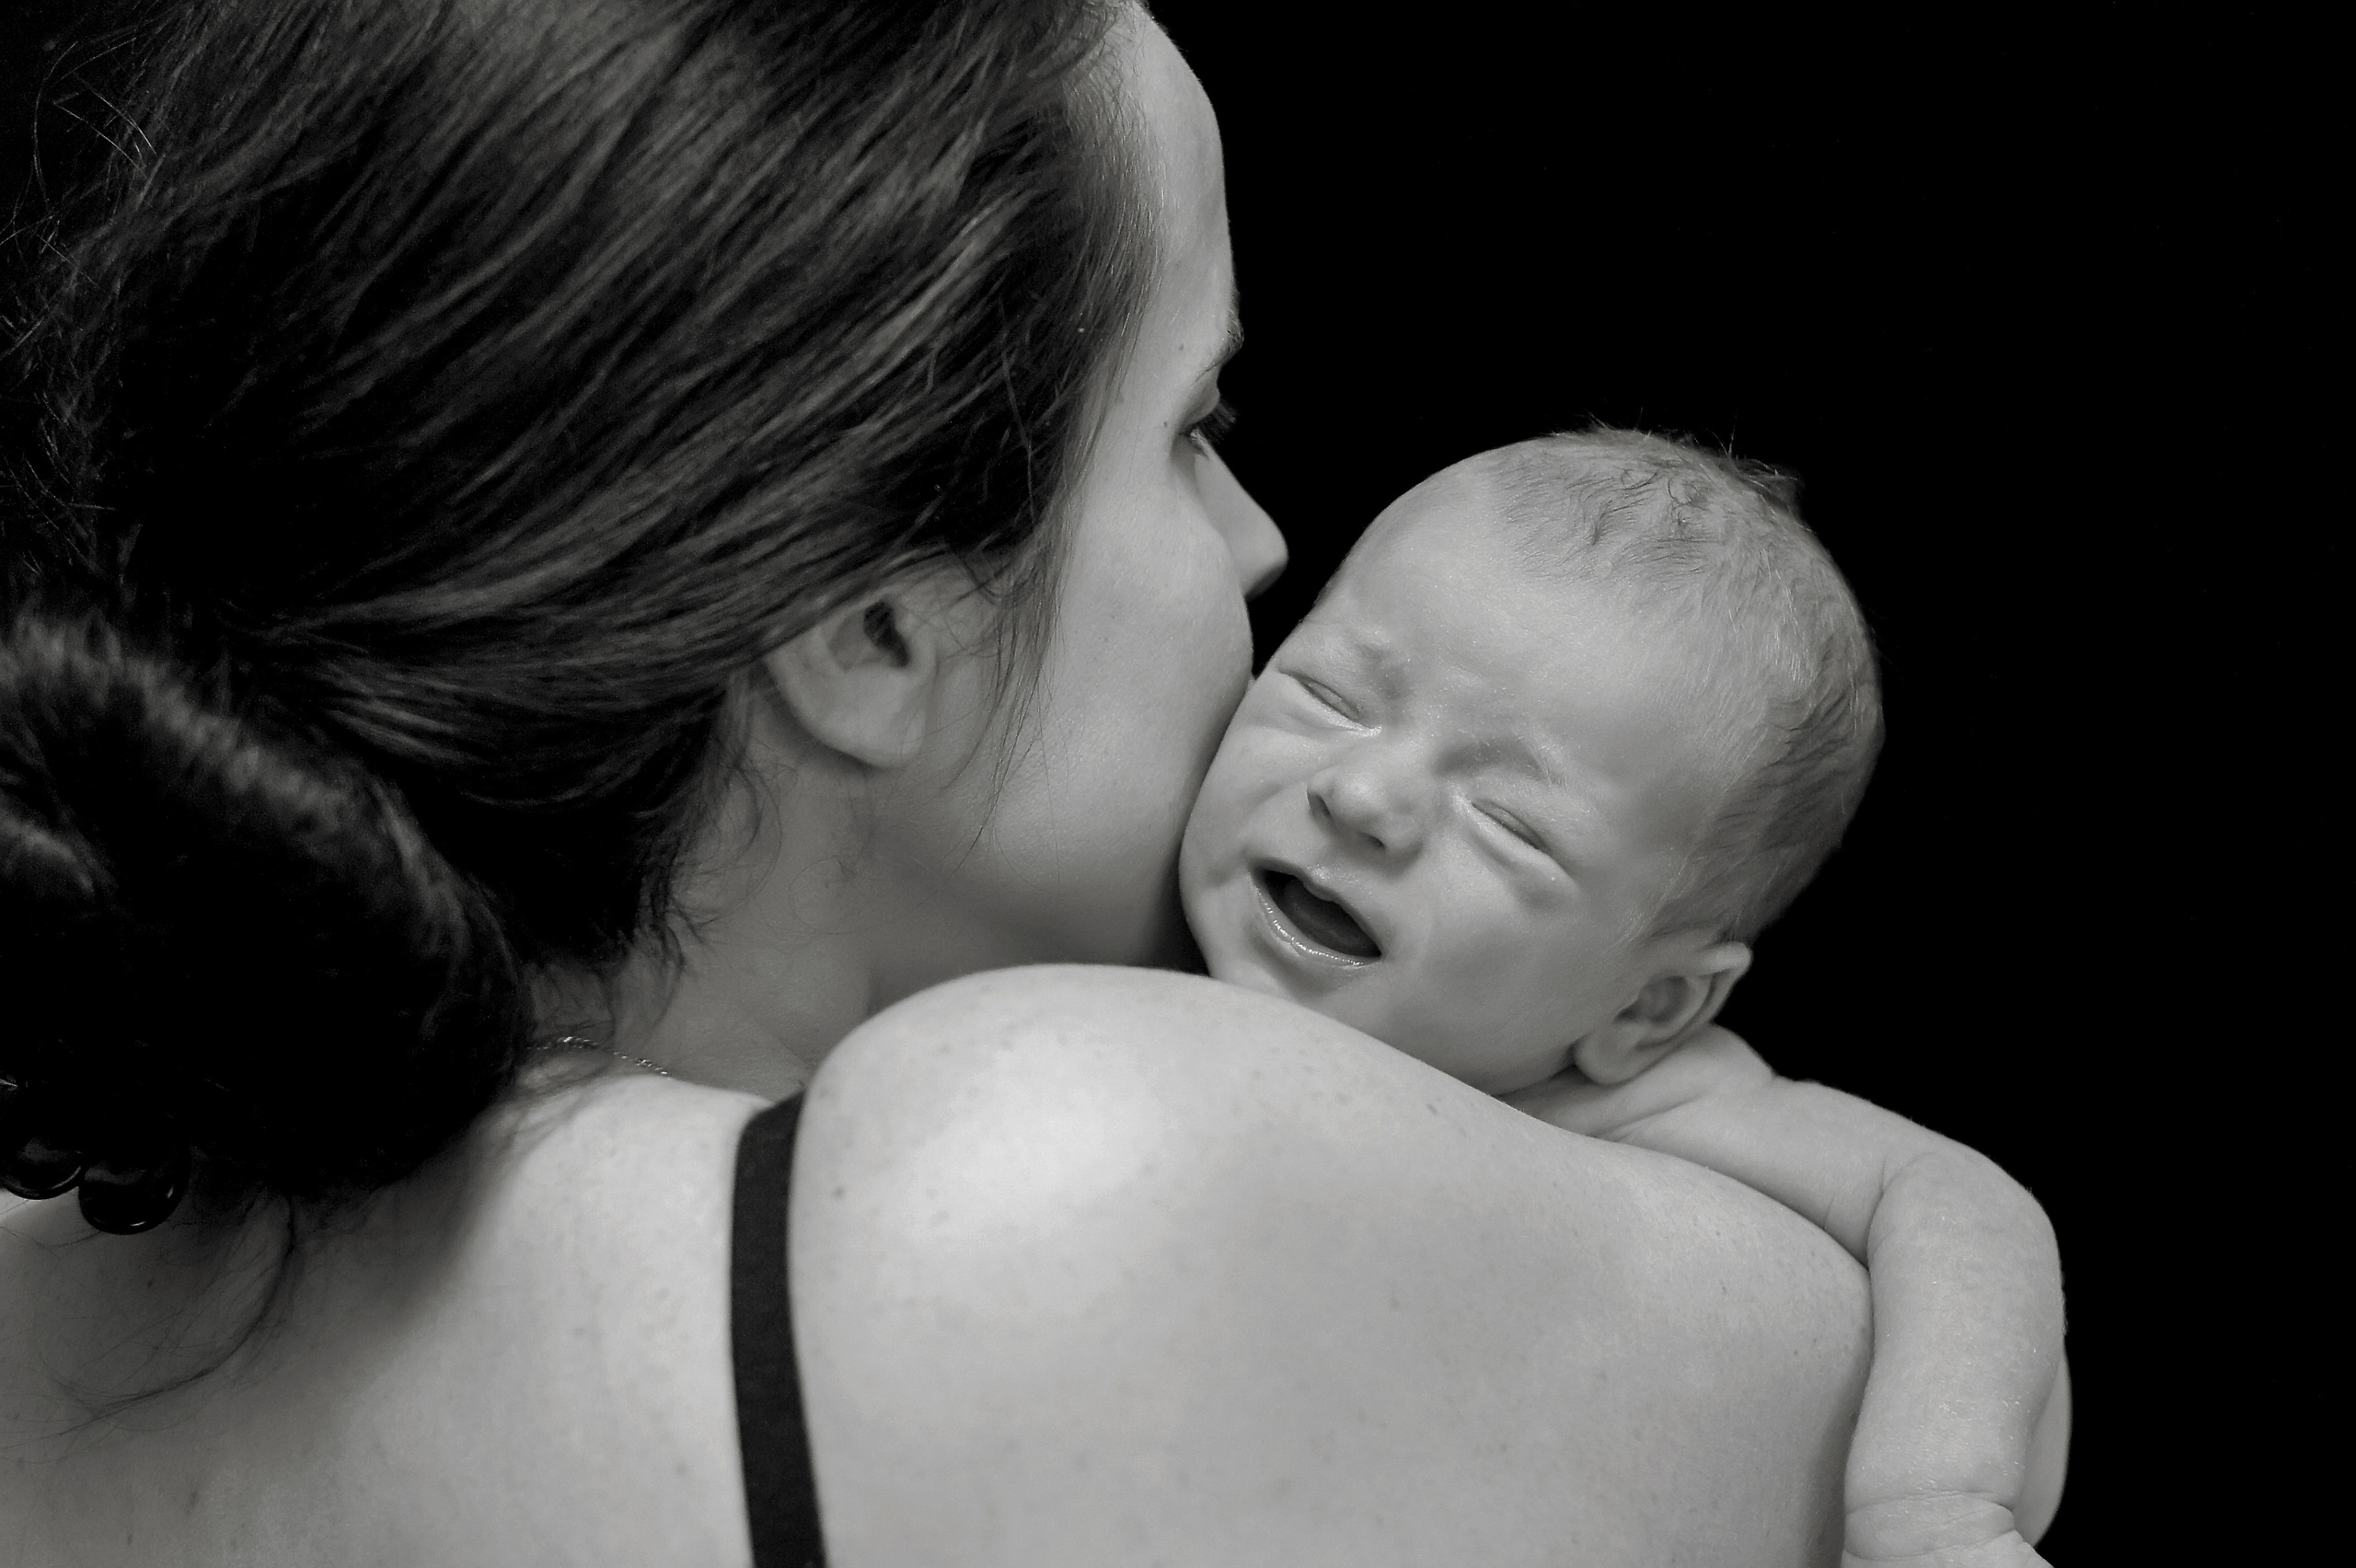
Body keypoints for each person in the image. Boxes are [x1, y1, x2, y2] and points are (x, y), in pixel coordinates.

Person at [2, 2, 1925, 1562]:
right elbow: (1883, 1376)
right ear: (875, 639)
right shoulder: (1050, 1174)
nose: (1261, 541)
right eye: (1194, 429)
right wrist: (1871, 1179)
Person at [1182, 429, 2068, 1558]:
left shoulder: (1641, 1102)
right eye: (1327, 695)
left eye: (1508, 823)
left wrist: (1933, 1502)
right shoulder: (1129, 953)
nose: (1360, 794)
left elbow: (1957, 1201)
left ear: (1646, 1010)